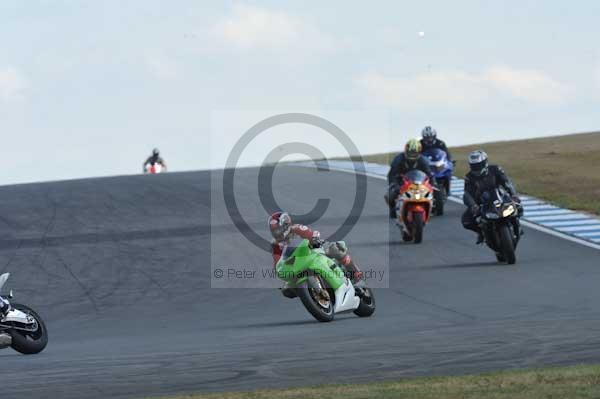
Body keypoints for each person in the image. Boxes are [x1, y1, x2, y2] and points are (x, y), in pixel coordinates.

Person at [268, 211, 363, 297]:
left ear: (285, 225)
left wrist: (314, 239)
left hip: (314, 251)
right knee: (286, 290)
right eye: (273, 231)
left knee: (335, 249)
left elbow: (310, 234)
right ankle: (309, 294)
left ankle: (355, 273)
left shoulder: (296, 229)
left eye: (278, 229)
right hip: (298, 263)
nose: (276, 233)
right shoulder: (275, 244)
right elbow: (278, 262)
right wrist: (280, 272)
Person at [461, 150, 523, 244]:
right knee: (466, 221)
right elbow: (467, 194)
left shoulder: (495, 169)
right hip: (481, 202)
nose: (476, 168)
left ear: (485, 163)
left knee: (518, 206)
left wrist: (513, 194)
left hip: (500, 196)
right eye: (474, 166)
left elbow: (506, 182)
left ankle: (517, 225)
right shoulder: (469, 177)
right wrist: (473, 205)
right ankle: (481, 232)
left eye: (478, 165)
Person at [385, 138, 434, 219]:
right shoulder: (398, 159)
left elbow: (429, 174)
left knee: (432, 191)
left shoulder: (423, 160)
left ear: (419, 152)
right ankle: (393, 209)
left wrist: (432, 183)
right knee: (391, 193)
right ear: (406, 151)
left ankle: (431, 207)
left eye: (414, 153)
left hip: (419, 182)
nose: (412, 155)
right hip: (401, 181)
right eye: (410, 152)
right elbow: (392, 174)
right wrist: (394, 184)